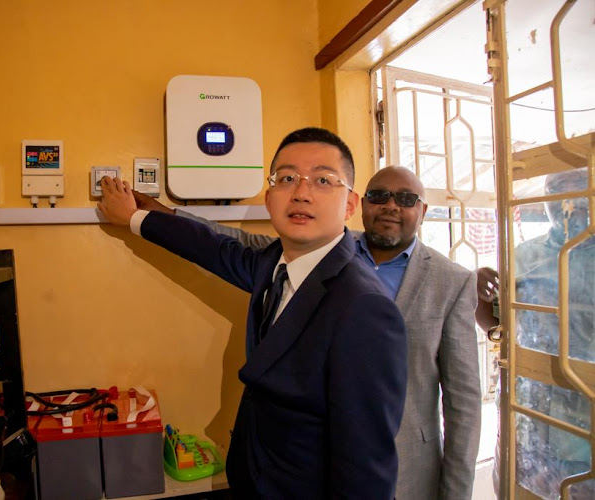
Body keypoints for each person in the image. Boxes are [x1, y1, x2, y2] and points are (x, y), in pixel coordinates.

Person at [133, 165, 482, 499]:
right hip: (310, 467)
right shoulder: (321, 251)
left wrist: (455, 493)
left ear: (423, 210)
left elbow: (462, 405)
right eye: (379, 195)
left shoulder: (452, 282)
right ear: (358, 203)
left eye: (406, 199)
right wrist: (162, 215)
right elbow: (236, 242)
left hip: (407, 472)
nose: (391, 206)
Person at [98, 127, 408, 499]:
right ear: (269, 196)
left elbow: (366, 468)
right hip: (253, 478)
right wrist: (137, 216)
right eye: (287, 178)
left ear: (350, 204)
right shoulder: (272, 263)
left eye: (324, 180)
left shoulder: (364, 307)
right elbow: (210, 247)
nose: (302, 192)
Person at [477, 167, 594, 499]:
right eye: (556, 188)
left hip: (586, 426)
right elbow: (496, 325)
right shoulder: (524, 257)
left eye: (577, 188)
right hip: (529, 417)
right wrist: (479, 293)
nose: (566, 200)